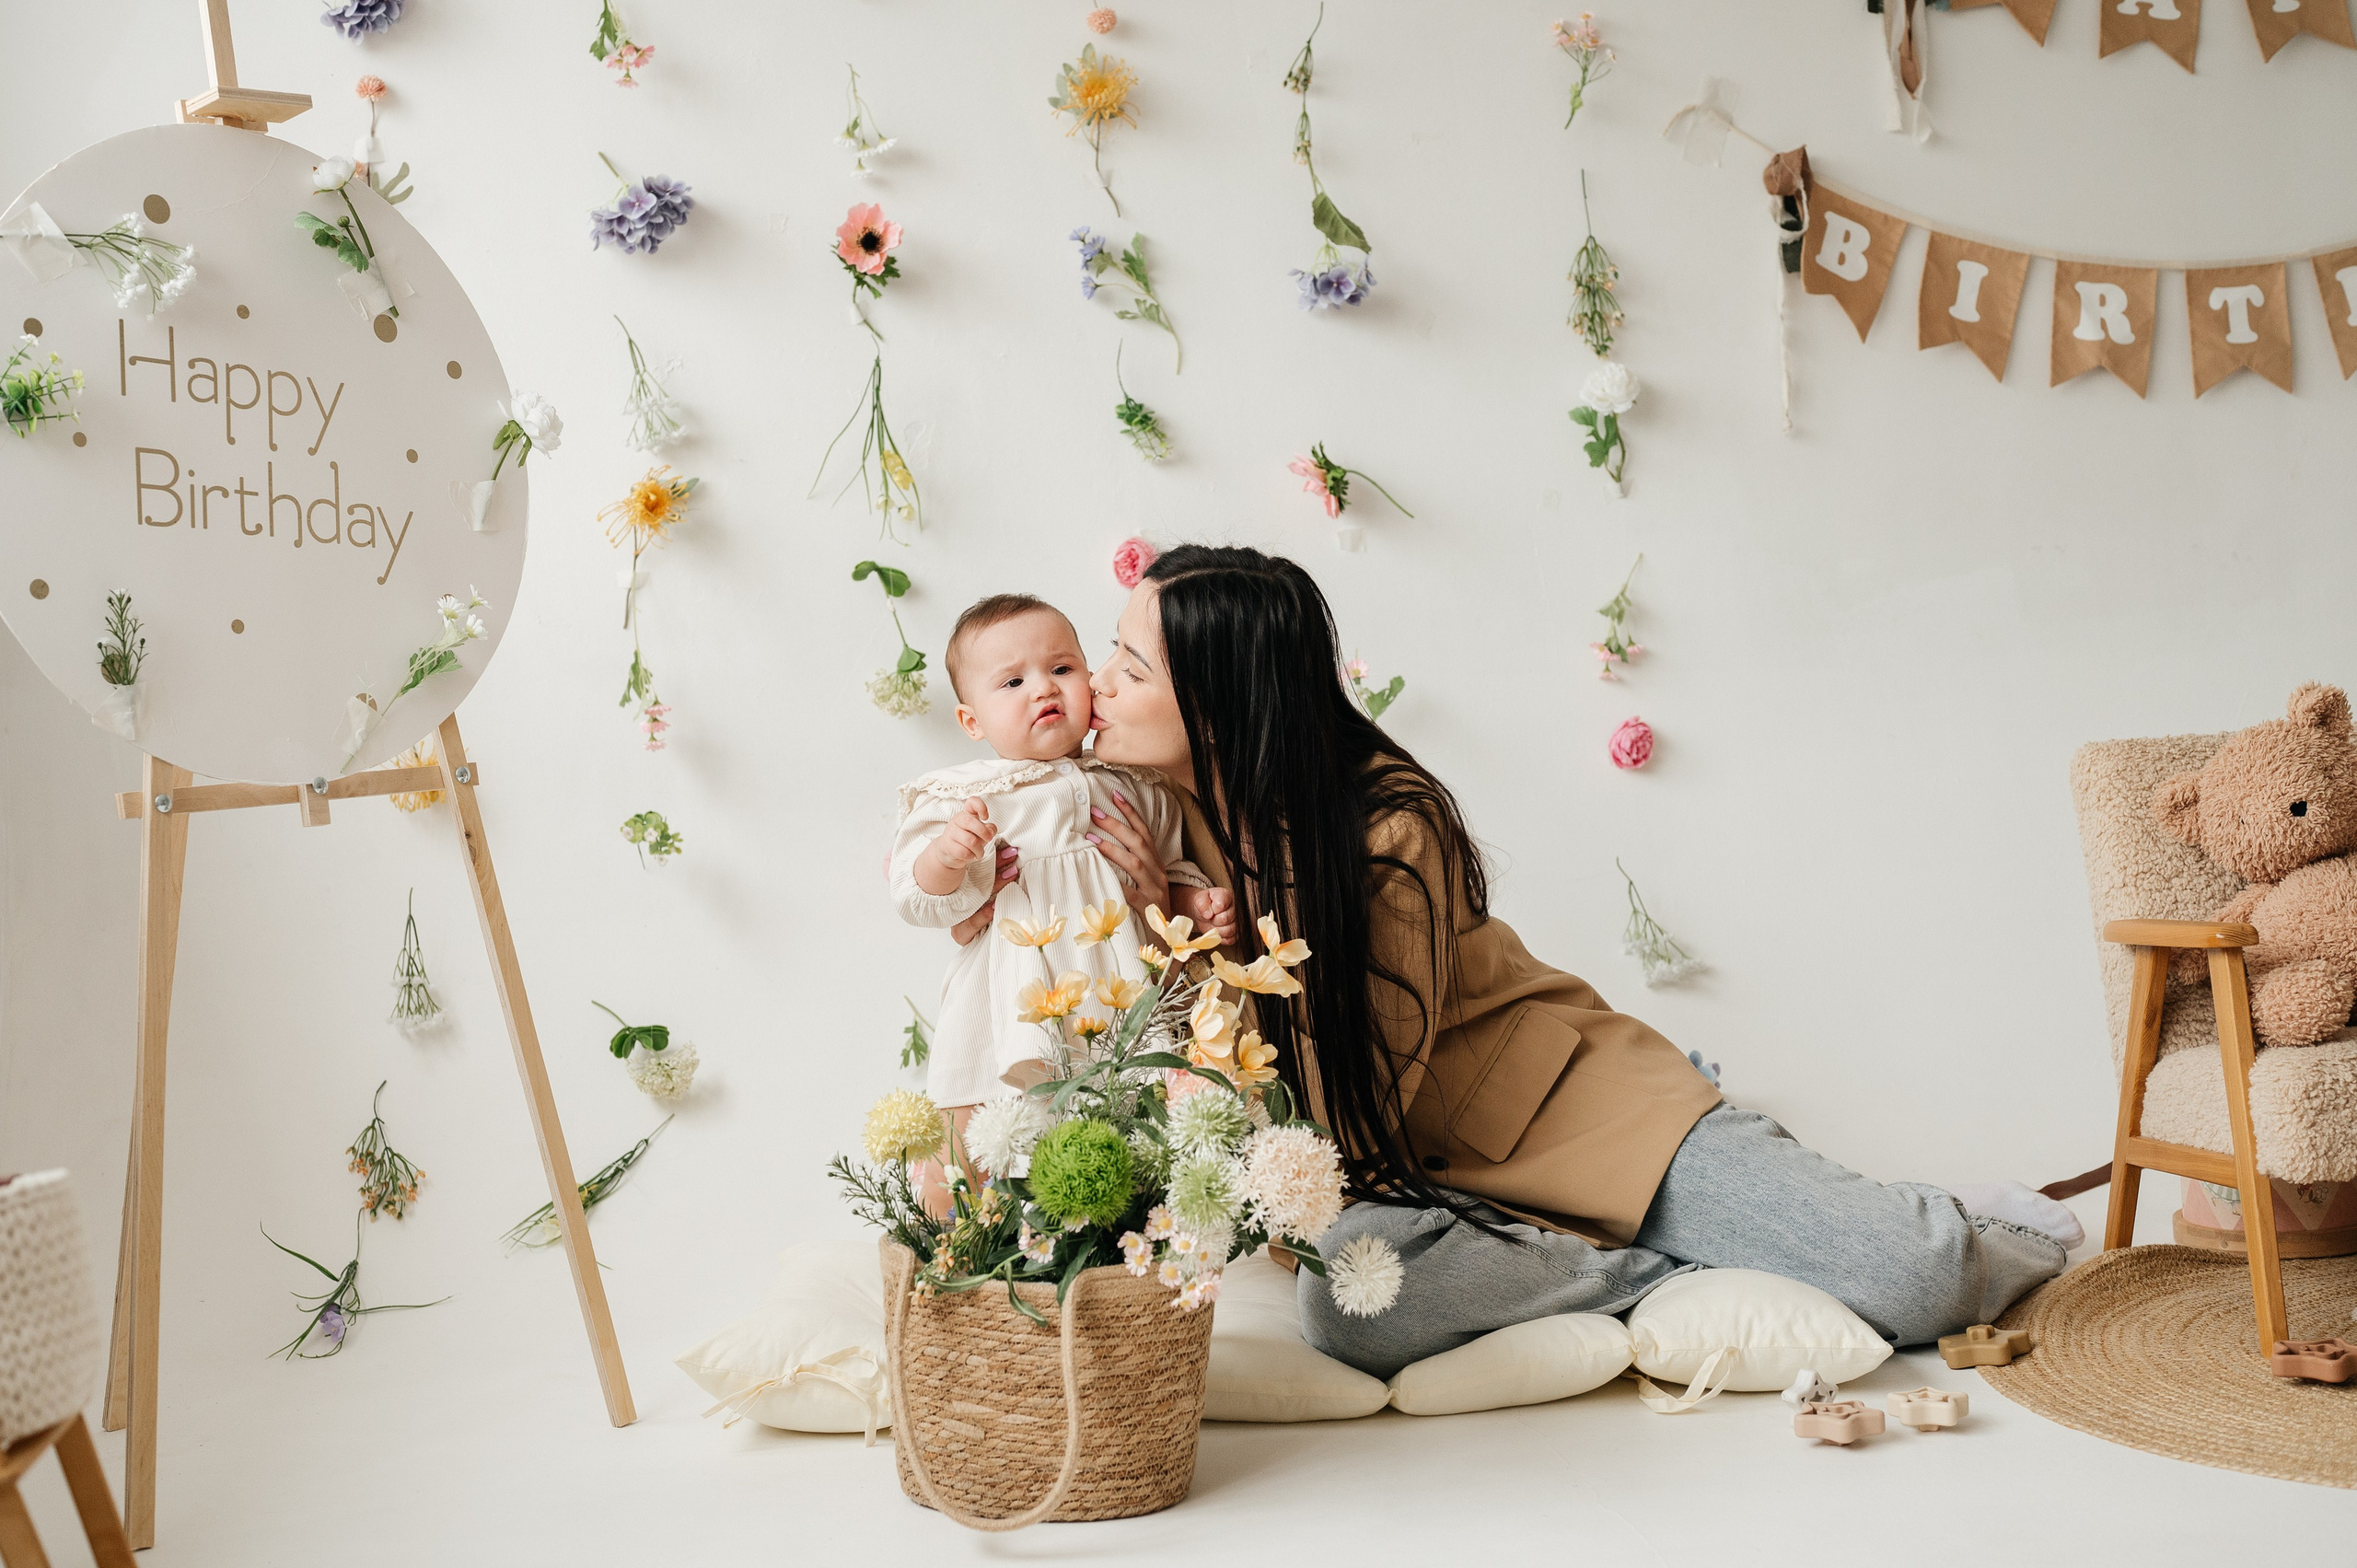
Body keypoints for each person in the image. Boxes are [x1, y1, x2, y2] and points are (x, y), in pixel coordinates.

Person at [1056, 543, 2073, 1380]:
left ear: (1223, 708)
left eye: (1128, 669)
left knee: (1919, 1284)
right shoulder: (1150, 809)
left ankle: (1980, 1220)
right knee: (1347, 1301)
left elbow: (1341, 1105)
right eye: (1111, 654)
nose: (1097, 684)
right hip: (1415, 1184)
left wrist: (1177, 934)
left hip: (1590, 1123)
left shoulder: (1386, 830)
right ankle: (1656, 1273)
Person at [891, 593, 1234, 1209]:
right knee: (967, 1140)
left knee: (1119, 1136)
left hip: (1111, 990)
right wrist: (948, 854)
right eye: (1013, 681)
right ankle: (938, 1254)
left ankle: (1104, 1271)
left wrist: (1192, 899)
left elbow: (1166, 865)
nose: (1043, 689)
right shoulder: (971, 796)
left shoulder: (1135, 784)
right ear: (972, 721)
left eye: (1062, 668)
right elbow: (915, 894)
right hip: (1005, 995)